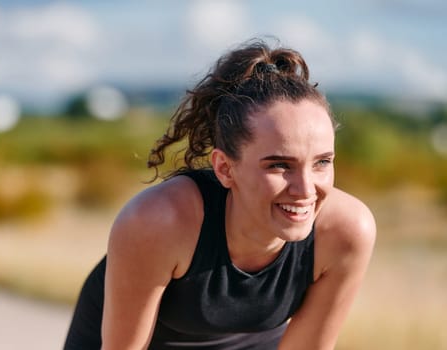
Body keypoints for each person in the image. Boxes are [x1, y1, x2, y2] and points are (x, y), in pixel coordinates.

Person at [64, 38, 376, 350]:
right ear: (225, 168)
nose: (306, 189)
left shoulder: (346, 232)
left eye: (322, 162)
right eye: (280, 165)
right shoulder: (158, 221)